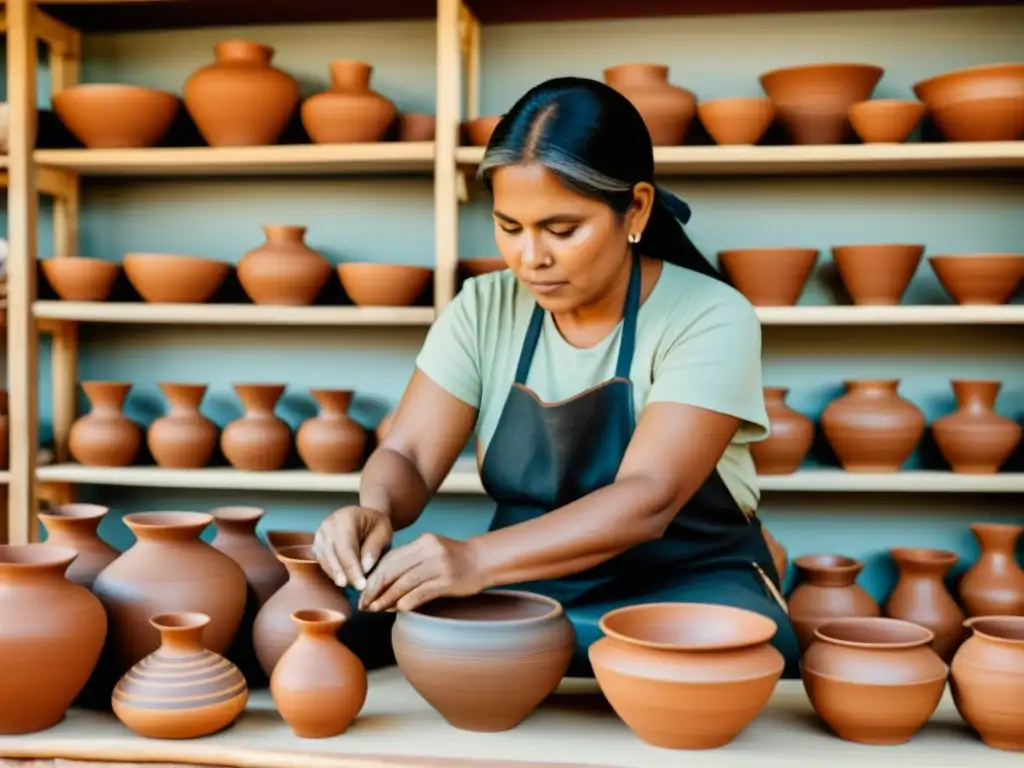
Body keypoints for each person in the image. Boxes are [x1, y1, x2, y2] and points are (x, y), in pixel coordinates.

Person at [315, 76, 800, 679]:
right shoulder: (483, 306)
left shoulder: (709, 315)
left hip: (685, 585)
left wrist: (472, 559)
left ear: (638, 208)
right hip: (525, 582)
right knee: (326, 621)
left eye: (562, 229)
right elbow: (409, 454)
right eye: (509, 227)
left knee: (708, 658)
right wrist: (376, 510)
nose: (530, 258)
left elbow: (647, 498)